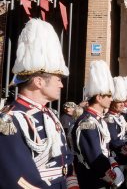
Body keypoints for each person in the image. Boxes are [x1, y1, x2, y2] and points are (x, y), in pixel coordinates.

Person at [0, 18, 78, 188]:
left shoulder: (50, 115)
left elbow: (65, 159)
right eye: (57, 79)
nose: (61, 84)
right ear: (39, 82)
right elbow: (19, 179)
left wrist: (72, 184)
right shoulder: (9, 121)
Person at [71, 60, 124, 188]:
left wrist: (113, 165)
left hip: (102, 175)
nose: (112, 99)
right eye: (109, 96)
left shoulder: (97, 119)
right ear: (99, 98)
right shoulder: (87, 122)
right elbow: (94, 157)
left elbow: (104, 149)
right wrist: (112, 175)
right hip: (93, 179)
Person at [105, 77, 127, 189]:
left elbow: (125, 134)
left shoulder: (120, 116)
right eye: (119, 102)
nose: (123, 104)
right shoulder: (110, 119)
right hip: (116, 156)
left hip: (123, 155)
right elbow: (114, 141)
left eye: (123, 101)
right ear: (112, 103)